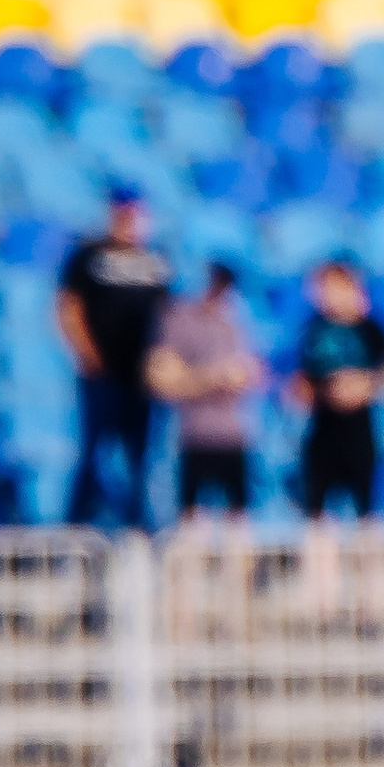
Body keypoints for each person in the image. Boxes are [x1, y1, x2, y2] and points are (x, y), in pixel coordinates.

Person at [57, 185, 171, 530]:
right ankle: (77, 524)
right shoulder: (88, 257)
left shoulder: (156, 261)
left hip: (142, 378)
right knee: (94, 451)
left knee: (141, 454)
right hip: (102, 375)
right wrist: (88, 355)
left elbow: (168, 315)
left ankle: (139, 523)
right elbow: (69, 308)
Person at [147, 261, 261, 518]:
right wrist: (213, 377)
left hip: (235, 436)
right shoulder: (176, 320)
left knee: (238, 521)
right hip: (190, 437)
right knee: (190, 522)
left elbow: (253, 373)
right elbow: (162, 380)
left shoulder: (236, 320)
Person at [292, 259, 384, 520]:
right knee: (316, 512)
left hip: (360, 431)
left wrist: (365, 384)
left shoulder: (371, 329)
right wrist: (319, 391)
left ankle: (370, 559)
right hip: (322, 430)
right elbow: (298, 380)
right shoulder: (312, 329)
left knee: (367, 512)